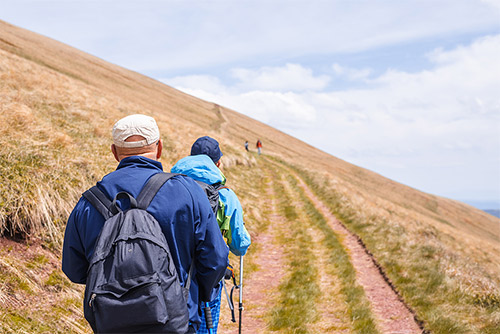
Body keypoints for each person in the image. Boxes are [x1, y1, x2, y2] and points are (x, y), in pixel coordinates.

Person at [62, 114, 229, 333]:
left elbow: (74, 270)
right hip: (179, 321)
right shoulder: (188, 192)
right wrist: (198, 294)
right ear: (159, 147)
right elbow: (216, 260)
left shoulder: (88, 202)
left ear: (114, 152)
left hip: (112, 324)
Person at [171, 136, 251, 334]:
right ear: (217, 163)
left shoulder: (169, 187)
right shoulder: (225, 195)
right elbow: (240, 245)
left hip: (170, 276)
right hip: (208, 281)